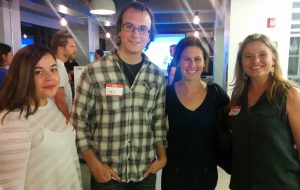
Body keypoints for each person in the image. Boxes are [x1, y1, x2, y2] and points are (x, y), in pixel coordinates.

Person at [70, 2, 167, 190]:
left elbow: (158, 122)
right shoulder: (94, 72)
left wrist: (162, 157)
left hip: (144, 173)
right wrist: (92, 163)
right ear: (119, 30)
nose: (135, 33)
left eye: (142, 29)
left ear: (149, 35)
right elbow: (78, 122)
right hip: (106, 174)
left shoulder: (156, 75)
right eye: (129, 26)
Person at [0, 44, 82, 190]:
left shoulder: (49, 105)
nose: (50, 77)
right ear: (23, 76)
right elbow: (9, 185)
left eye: (53, 69)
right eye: (38, 72)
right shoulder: (13, 122)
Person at [229, 33, 300, 190]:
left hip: (279, 184)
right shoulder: (237, 95)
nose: (255, 61)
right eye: (248, 56)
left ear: (273, 59)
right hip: (242, 184)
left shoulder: (290, 94)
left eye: (262, 54)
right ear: (241, 62)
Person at [161, 36, 229, 190]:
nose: (192, 64)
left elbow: (235, 121)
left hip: (206, 172)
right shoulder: (167, 94)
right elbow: (156, 127)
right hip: (174, 173)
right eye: (186, 59)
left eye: (198, 59)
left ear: (204, 62)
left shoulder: (216, 93)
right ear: (178, 61)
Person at [51, 30, 77, 118]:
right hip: (61, 119)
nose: (75, 50)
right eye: (72, 46)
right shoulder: (58, 66)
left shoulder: (59, 64)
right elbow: (60, 100)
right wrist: (68, 124)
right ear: (62, 48)